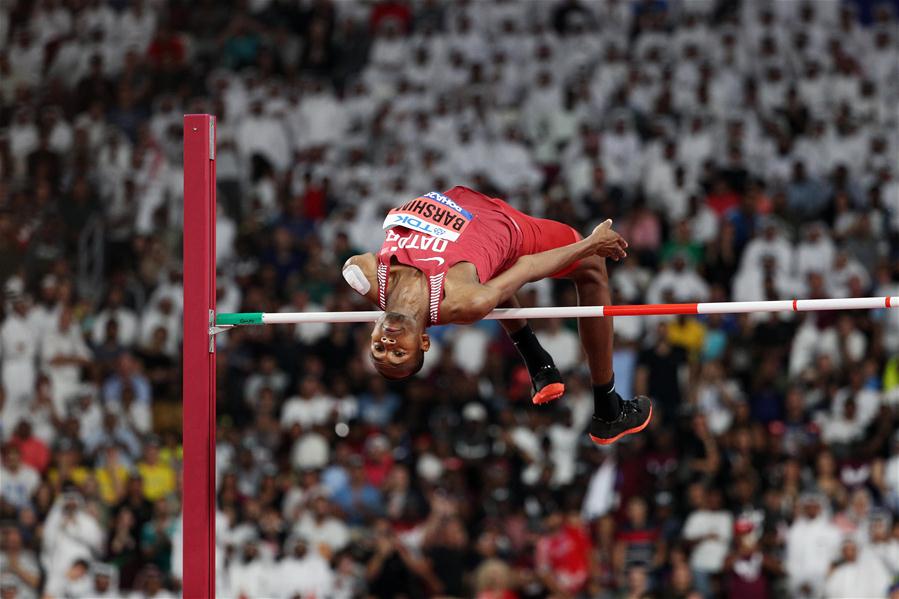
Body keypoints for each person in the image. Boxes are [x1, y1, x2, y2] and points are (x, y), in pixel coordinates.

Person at [343, 186, 651, 444]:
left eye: (379, 348)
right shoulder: (462, 301)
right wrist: (590, 244)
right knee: (593, 267)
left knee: (490, 279)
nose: (389, 342)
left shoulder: (368, 277)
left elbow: (352, 264)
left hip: (458, 199)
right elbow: (527, 267)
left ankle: (539, 363)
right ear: (424, 342)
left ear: (372, 331)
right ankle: (608, 408)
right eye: (398, 353)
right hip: (506, 228)